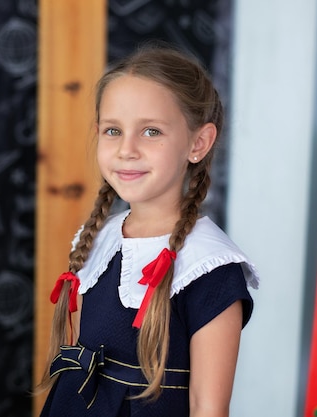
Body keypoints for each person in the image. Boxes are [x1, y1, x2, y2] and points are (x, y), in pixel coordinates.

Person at [38, 44, 259, 417]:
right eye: (113, 130)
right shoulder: (100, 240)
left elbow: (208, 407)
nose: (127, 150)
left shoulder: (210, 266)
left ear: (198, 143)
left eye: (151, 131)